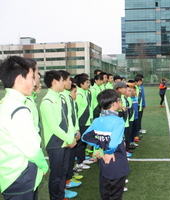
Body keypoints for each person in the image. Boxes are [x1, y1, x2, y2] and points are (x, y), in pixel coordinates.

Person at [0, 56, 48, 200]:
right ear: (20, 80)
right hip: (20, 175)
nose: (35, 82)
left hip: (10, 172)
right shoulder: (19, 108)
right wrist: (43, 166)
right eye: (32, 77)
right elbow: (32, 148)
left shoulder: (7, 102)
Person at [82, 89, 130, 200]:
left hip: (103, 163)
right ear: (114, 103)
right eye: (119, 100)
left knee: (105, 192)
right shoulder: (118, 121)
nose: (121, 102)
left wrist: (100, 146)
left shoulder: (98, 120)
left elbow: (85, 137)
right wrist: (108, 152)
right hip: (116, 162)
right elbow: (113, 143)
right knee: (116, 195)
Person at [40, 70, 77, 199]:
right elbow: (53, 126)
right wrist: (69, 138)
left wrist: (71, 137)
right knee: (56, 175)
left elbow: (69, 119)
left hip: (66, 142)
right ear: (55, 82)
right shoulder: (47, 102)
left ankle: (61, 196)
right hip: (55, 144)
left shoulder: (62, 98)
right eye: (63, 80)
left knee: (63, 173)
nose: (66, 83)